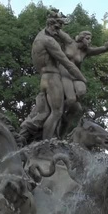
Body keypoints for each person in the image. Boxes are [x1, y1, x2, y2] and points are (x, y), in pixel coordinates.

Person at [26, 9, 87, 141]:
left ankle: (58, 136)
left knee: (71, 108)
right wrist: (82, 78)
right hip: (53, 78)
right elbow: (67, 64)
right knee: (57, 112)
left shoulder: (38, 37)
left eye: (59, 28)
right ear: (49, 24)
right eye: (56, 27)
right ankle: (47, 145)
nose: (57, 31)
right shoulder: (49, 41)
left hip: (44, 78)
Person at [56, 25, 108, 137]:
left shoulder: (86, 51)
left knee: (80, 94)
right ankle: (58, 114)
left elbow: (105, 48)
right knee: (71, 99)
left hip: (75, 76)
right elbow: (57, 31)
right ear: (81, 38)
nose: (89, 41)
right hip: (64, 73)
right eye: (87, 39)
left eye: (90, 39)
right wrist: (56, 20)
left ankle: (63, 125)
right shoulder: (69, 42)